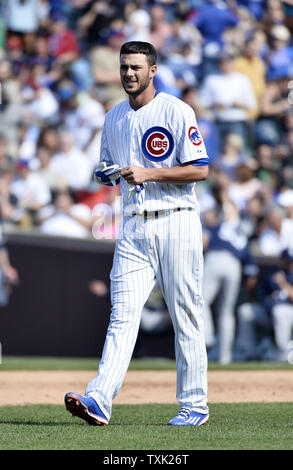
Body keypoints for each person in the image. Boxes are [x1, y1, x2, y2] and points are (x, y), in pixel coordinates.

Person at [64, 41, 210, 427]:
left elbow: (199, 170)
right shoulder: (113, 117)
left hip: (176, 219)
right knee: (122, 315)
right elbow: (106, 166)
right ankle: (99, 399)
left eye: (136, 67)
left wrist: (150, 172)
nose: (129, 73)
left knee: (186, 315)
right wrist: (108, 173)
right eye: (125, 67)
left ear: (153, 71)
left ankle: (195, 405)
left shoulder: (177, 110)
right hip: (133, 224)